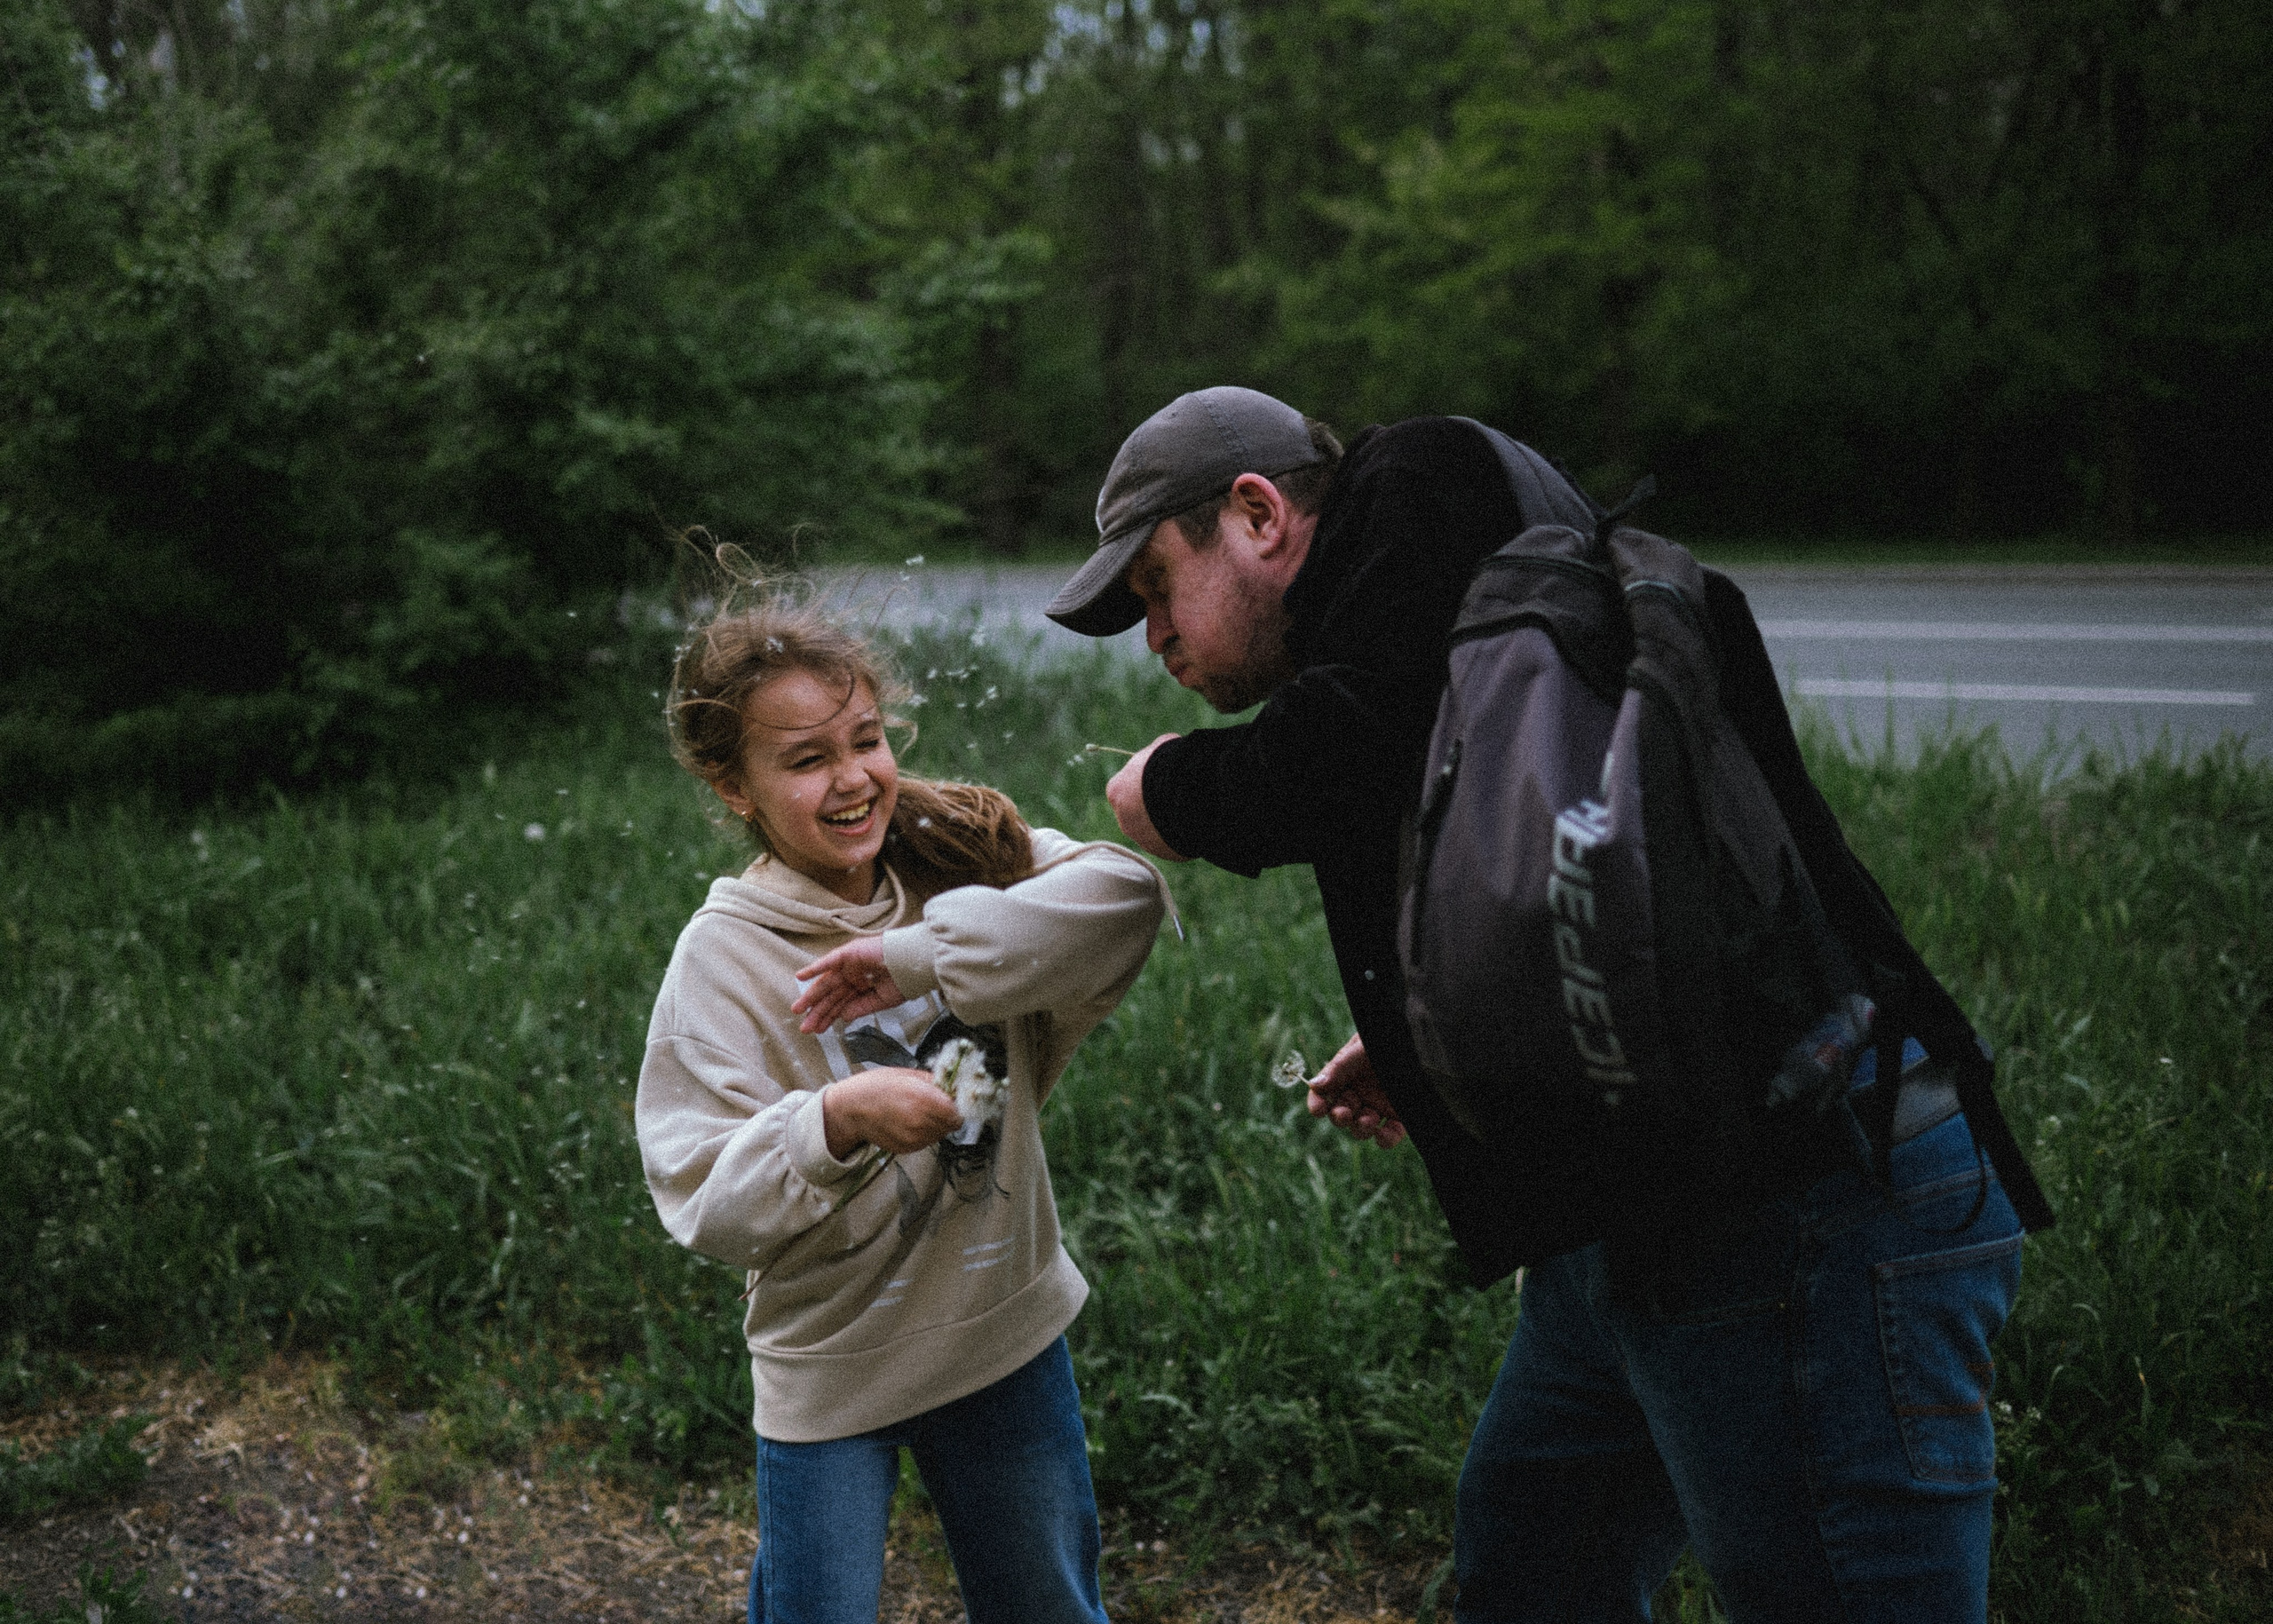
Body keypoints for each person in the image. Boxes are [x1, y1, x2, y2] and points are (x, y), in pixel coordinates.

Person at [1047, 386, 2030, 1623]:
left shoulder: (1425, 483)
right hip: (1643, 1217)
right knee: (1530, 1567)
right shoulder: (1432, 595)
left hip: (1801, 1202)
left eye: (1153, 588)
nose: (1156, 641)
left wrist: (1172, 792)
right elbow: (1529, 806)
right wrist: (1435, 1030)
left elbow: (1358, 744)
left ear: (1255, 514)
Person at [636, 582, 1169, 1624]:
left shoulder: (959, 866)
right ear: (731, 784)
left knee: (1048, 1607)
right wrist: (833, 1121)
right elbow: (700, 1191)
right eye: (805, 759)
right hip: (835, 1369)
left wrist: (923, 955)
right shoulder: (723, 957)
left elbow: (1127, 897)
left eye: (865, 739)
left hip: (999, 1333)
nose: (852, 778)